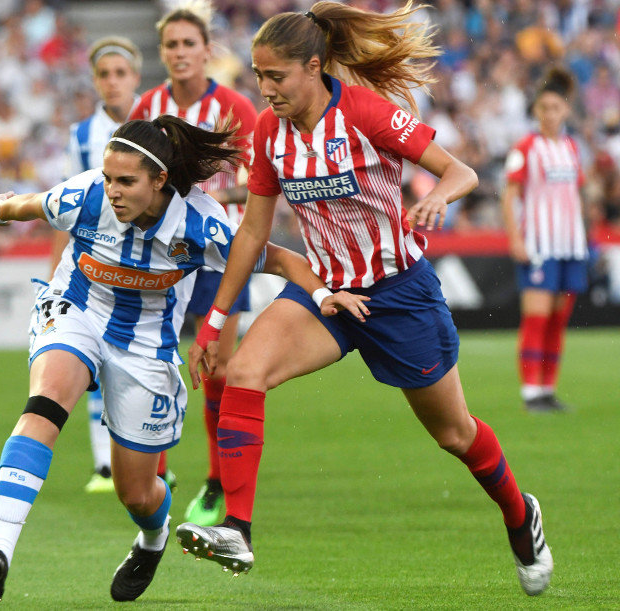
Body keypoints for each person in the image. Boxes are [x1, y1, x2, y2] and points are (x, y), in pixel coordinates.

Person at [176, 3, 554, 598]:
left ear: (314, 67)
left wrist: (438, 197)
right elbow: (251, 233)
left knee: (454, 434)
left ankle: (518, 512)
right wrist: (216, 318)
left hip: (399, 295)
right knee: (245, 371)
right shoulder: (270, 132)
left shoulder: (366, 113)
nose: (265, 89)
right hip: (325, 294)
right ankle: (237, 529)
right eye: (258, 76)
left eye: (276, 76)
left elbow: (461, 172)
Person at [0, 115, 369, 602]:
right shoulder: (86, 195)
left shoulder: (200, 224)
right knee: (47, 401)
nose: (112, 191)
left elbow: (281, 259)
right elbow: (28, 205)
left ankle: (152, 538)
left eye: (126, 181)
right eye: (108, 178)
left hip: (146, 347)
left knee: (137, 494)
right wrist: (2, 207)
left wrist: (323, 294)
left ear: (159, 180)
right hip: (77, 311)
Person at [129, 0, 259, 526]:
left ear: (207, 50)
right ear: (162, 52)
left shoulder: (234, 107)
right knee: (153, 358)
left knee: (218, 369)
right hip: (161, 252)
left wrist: (211, 200)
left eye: (189, 44)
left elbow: (260, 182)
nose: (180, 52)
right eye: (172, 45)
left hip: (219, 254)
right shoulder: (149, 106)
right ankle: (157, 474)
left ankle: (215, 481)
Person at [49, 36, 143, 493]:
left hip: (147, 261)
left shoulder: (156, 125)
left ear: (136, 77)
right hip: (96, 262)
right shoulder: (82, 136)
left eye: (120, 73)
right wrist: (55, 271)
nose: (112, 82)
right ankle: (104, 464)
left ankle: (145, 461)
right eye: (104, 74)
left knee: (139, 361)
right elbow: (65, 206)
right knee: (92, 359)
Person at [501, 66, 587, 413]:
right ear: (535, 111)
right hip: (539, 244)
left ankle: (548, 390)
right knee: (536, 318)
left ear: (566, 110)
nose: (550, 114)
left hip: (570, 245)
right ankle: (531, 392)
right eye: (544, 108)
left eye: (556, 108)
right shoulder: (526, 147)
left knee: (557, 321)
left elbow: (576, 194)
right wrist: (515, 238)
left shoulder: (571, 146)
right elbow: (509, 196)